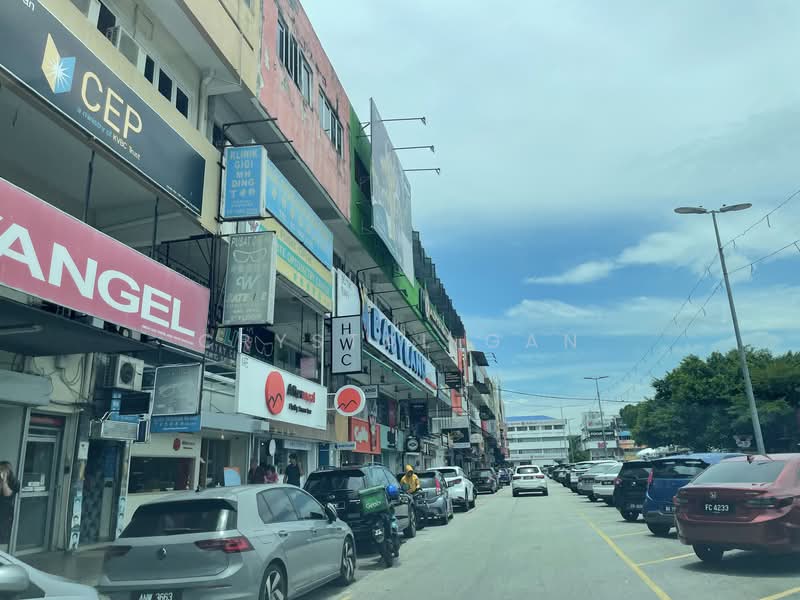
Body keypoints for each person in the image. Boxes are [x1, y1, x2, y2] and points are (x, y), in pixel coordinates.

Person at [0, 462, 20, 545]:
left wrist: (4, 481)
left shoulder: (14, 482)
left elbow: (7, 495)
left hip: (4, 513)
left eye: (2, 469)